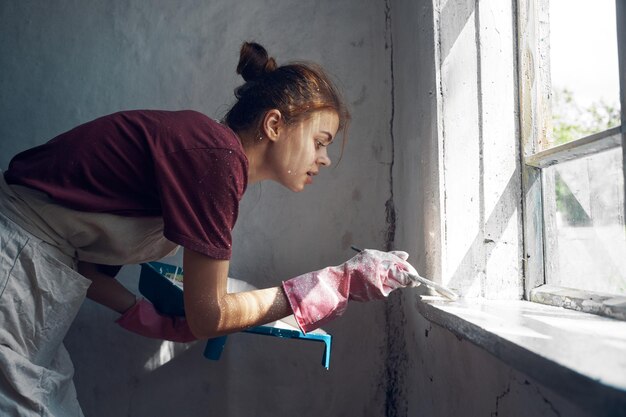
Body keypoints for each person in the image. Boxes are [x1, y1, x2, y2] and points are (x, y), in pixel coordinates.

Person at [0, 41, 418, 416]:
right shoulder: (218, 159)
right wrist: (333, 283)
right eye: (320, 141)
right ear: (274, 125)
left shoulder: (211, 157)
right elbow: (210, 314)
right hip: (15, 267)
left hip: (39, 279)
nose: (324, 159)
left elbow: (86, 265)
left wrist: (143, 314)